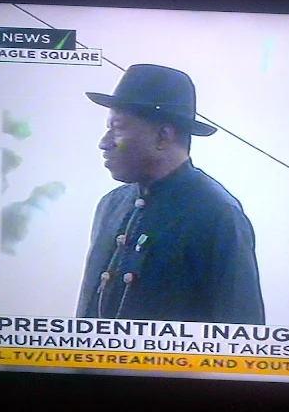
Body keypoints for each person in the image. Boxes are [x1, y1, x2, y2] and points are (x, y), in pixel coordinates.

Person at [76, 64, 265, 324]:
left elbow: (240, 332)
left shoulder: (216, 213)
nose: (104, 142)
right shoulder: (111, 205)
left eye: (117, 128)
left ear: (163, 136)